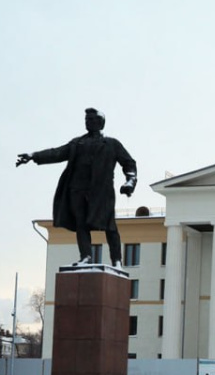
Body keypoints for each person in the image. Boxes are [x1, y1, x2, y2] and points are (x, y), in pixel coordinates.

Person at [17, 108, 137, 267]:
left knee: (109, 225)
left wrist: (130, 181)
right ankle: (86, 256)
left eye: (92, 120)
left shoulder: (112, 144)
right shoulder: (77, 143)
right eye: (87, 120)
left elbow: (129, 163)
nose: (88, 122)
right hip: (77, 189)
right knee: (81, 223)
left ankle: (116, 260)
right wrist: (34, 156)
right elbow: (57, 153)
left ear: (101, 123)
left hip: (101, 192)